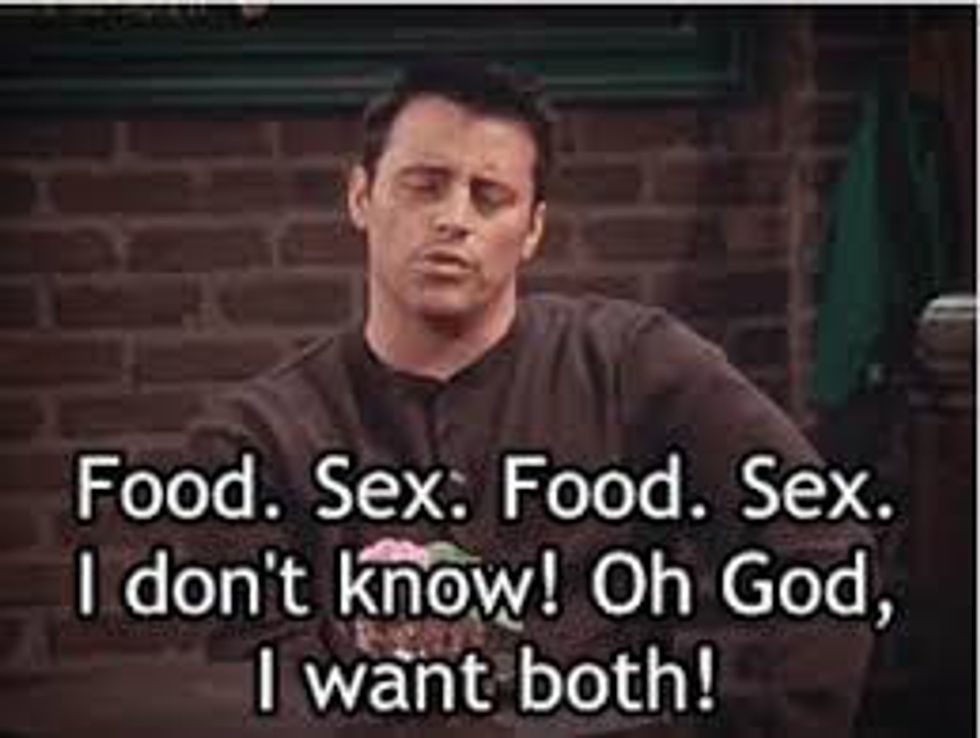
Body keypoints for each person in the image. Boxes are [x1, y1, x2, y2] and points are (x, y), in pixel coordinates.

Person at [187, 59, 874, 736]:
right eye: (424, 186)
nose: (453, 219)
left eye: (490, 196)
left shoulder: (632, 363)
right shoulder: (255, 439)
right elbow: (264, 678)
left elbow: (818, 542)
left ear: (534, 229)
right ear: (361, 197)